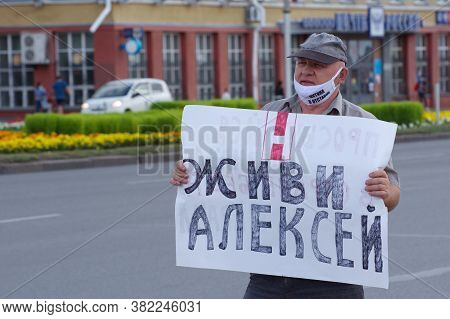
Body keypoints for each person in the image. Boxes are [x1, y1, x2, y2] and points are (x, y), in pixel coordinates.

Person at [169, 32, 401, 299]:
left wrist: (385, 191)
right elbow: (237, 173)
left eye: (317, 65)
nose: (306, 71)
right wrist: (193, 172)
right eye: (302, 63)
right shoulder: (270, 114)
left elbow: (393, 195)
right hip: (269, 275)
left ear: (342, 75)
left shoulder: (364, 126)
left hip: (335, 279)